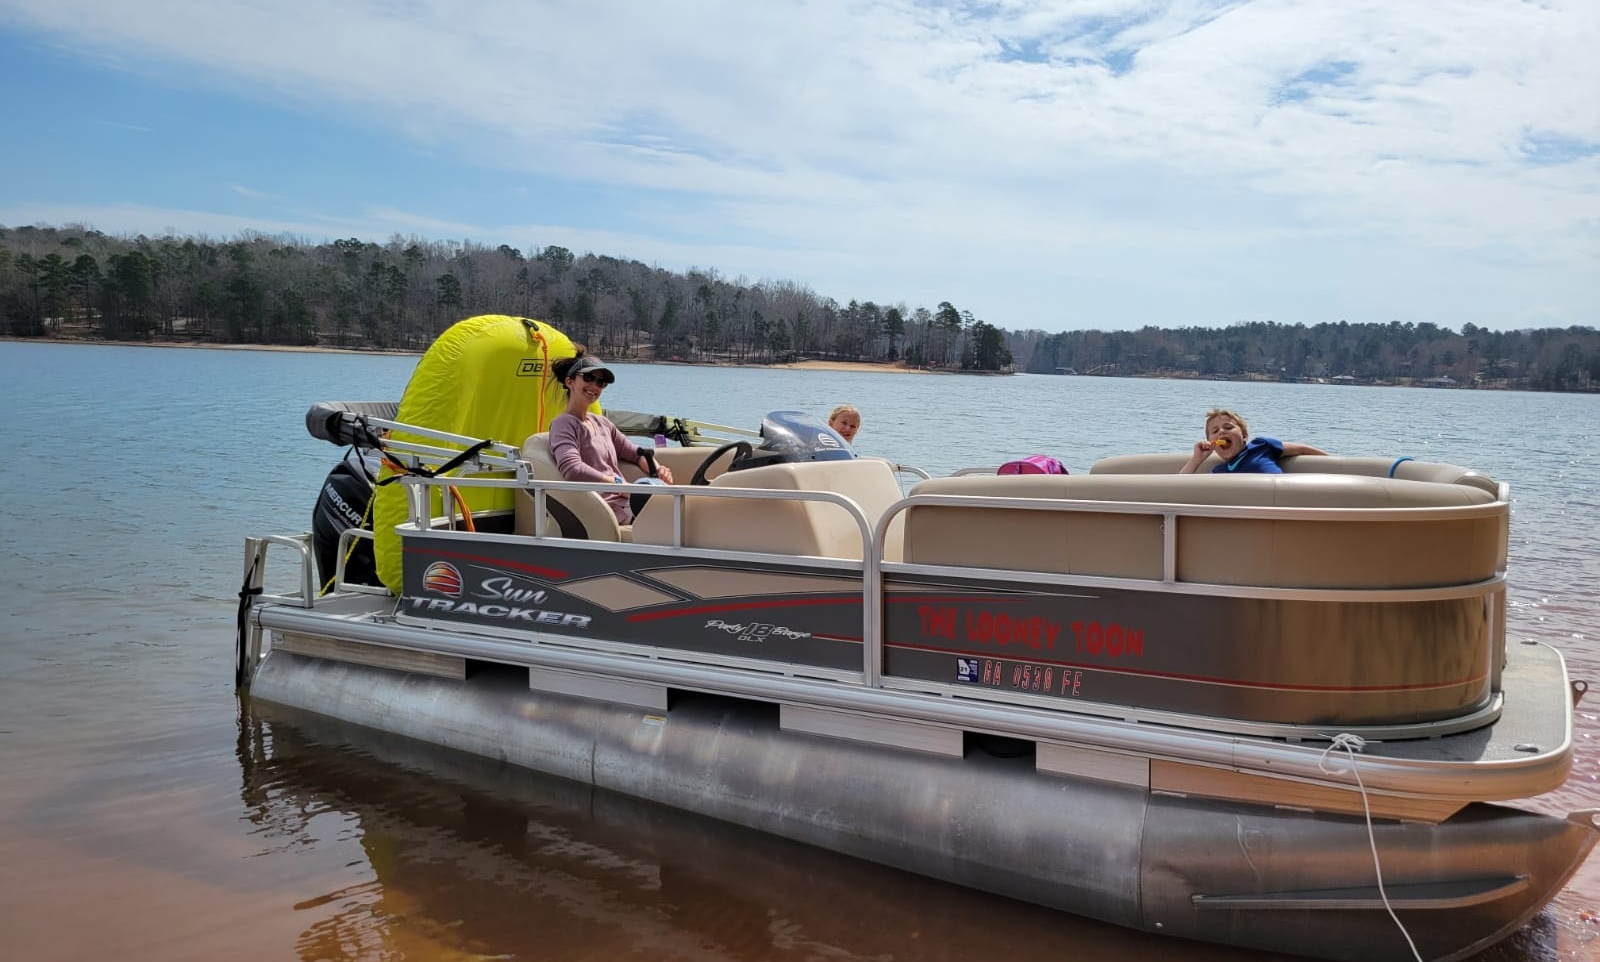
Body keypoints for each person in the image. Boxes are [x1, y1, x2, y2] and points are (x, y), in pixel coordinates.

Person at [548, 352, 673, 523]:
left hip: (625, 503)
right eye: (588, 377)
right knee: (679, 513)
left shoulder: (603, 423)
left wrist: (658, 470)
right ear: (569, 382)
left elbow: (636, 453)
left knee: (688, 508)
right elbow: (572, 469)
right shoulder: (563, 424)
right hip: (603, 509)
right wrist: (619, 485)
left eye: (601, 382)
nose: (594, 385)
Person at [1179, 408, 1328, 474]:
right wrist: (1197, 459)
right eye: (1215, 431)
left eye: (1228, 427)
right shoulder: (1219, 472)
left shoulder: (1261, 445)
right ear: (1212, 444)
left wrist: (1333, 462)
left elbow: (1302, 449)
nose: (1222, 432)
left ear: (1244, 435)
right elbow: (1177, 489)